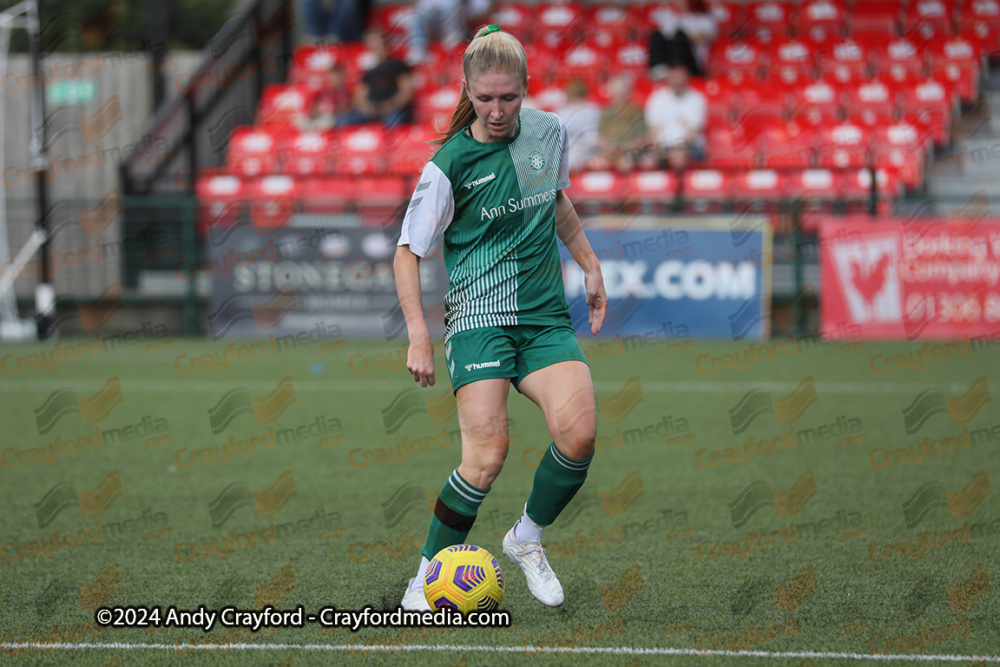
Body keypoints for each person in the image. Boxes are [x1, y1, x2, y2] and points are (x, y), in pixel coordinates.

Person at [393, 24, 608, 611]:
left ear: (526, 89)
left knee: (580, 433)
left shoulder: (548, 132)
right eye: (484, 98)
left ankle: (526, 539)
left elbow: (556, 201)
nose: (496, 110)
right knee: (486, 458)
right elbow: (408, 251)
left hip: (543, 319)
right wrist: (418, 335)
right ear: (466, 89)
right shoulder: (449, 164)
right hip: (478, 320)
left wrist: (589, 264)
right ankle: (425, 577)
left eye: (508, 98)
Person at [337, 30, 415, 127]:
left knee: (392, 122)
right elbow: (359, 97)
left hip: (394, 109)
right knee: (343, 122)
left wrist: (390, 105)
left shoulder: (399, 65)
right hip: (371, 111)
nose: (377, 46)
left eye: (379, 42)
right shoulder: (367, 73)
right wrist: (367, 108)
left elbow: (407, 91)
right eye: (374, 43)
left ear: (386, 43)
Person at [644, 64, 706, 169]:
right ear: (668, 79)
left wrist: (676, 149)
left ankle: (681, 185)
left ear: (687, 78)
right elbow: (653, 130)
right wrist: (660, 149)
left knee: (678, 158)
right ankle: (657, 185)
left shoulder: (697, 99)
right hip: (662, 146)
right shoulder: (657, 98)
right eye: (674, 77)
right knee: (648, 160)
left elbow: (691, 134)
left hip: (690, 147)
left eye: (680, 77)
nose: (677, 81)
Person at [648, 0, 717, 79]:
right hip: (671, 59)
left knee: (680, 36)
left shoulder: (704, 19)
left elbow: (700, 38)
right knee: (655, 35)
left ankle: (680, 69)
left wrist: (682, 37)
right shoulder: (672, 18)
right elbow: (662, 38)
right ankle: (659, 68)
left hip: (692, 62)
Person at [598, 74, 649, 171]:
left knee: (626, 163)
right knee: (597, 163)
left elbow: (643, 138)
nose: (619, 96)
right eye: (616, 93)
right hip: (610, 152)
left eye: (621, 93)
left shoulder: (636, 112)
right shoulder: (606, 113)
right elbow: (599, 139)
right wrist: (608, 147)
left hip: (632, 152)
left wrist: (623, 149)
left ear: (627, 93)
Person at [556, 80, 601, 172]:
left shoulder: (592, 110)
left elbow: (592, 139)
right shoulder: (562, 111)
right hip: (571, 152)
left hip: (587, 152)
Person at [295, 63, 352, 131]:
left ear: (342, 76)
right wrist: (316, 109)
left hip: (331, 118)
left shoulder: (346, 92)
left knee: (329, 120)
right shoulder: (322, 89)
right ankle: (312, 129)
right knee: (299, 118)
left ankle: (313, 130)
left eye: (337, 75)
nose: (334, 78)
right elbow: (311, 104)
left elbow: (346, 108)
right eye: (332, 75)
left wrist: (331, 109)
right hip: (317, 117)